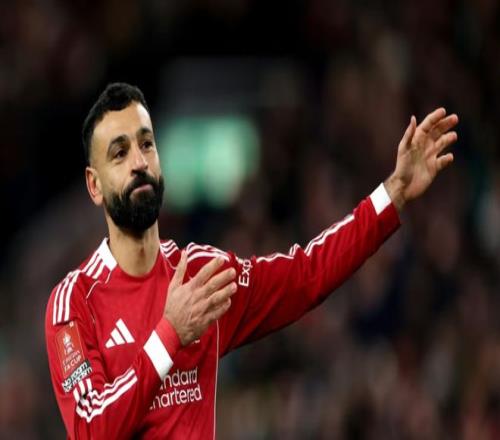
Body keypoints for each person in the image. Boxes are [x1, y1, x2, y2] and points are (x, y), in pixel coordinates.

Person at [45, 82, 458, 439]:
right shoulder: (74, 302)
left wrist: (393, 193)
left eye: (146, 144)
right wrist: (169, 334)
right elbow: (91, 429)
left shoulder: (201, 277)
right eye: (119, 153)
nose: (139, 162)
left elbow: (306, 274)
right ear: (94, 185)